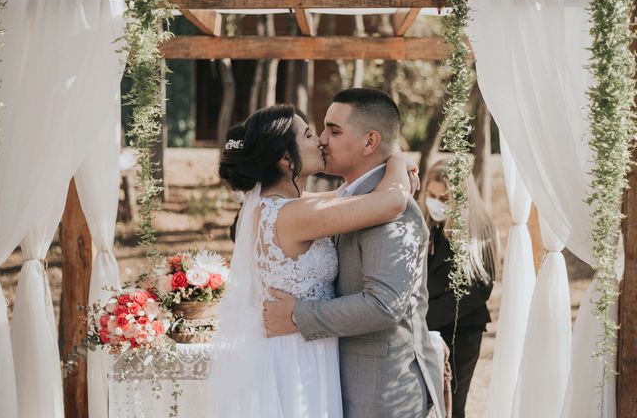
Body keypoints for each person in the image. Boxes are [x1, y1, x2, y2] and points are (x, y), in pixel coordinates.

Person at [210, 102, 417, 417]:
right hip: (298, 356)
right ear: (285, 158)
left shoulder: (277, 206)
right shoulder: (294, 214)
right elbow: (391, 202)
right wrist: (397, 160)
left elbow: (344, 197)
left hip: (295, 345)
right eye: (308, 134)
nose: (320, 140)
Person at [264, 88, 446, 418]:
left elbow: (383, 304)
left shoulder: (393, 212)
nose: (321, 139)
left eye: (334, 130)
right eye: (321, 130)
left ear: (369, 142)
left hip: (381, 390)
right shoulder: (353, 201)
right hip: (329, 379)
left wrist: (298, 314)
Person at [421, 158, 500, 418]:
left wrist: (425, 317)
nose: (436, 203)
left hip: (461, 331)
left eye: (443, 198)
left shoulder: (481, 229)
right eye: (431, 195)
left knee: (452, 406)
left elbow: (480, 288)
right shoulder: (426, 226)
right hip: (423, 330)